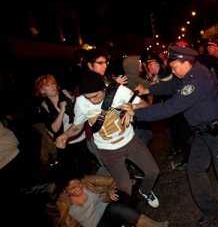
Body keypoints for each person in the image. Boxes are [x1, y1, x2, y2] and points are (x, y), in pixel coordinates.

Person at [125, 46, 218, 226]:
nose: (172, 71)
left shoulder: (197, 79)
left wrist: (136, 113)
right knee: (195, 169)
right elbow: (173, 85)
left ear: (185, 63)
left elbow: (171, 107)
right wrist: (149, 89)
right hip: (203, 134)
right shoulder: (187, 74)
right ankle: (211, 210)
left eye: (174, 67)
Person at [56, 71, 160, 209]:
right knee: (124, 187)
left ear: (103, 88)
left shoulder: (119, 92)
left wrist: (133, 107)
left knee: (153, 171)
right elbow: (77, 126)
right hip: (108, 150)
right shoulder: (81, 102)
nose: (92, 100)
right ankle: (129, 215)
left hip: (130, 141)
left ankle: (145, 191)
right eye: (89, 98)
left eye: (95, 96)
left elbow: (145, 105)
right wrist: (66, 135)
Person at [54, 169, 169, 227]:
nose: (78, 188)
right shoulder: (64, 204)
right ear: (65, 190)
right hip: (98, 225)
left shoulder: (87, 182)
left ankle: (155, 226)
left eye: (78, 183)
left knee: (117, 208)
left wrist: (108, 191)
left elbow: (111, 181)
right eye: (73, 188)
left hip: (108, 210)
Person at [34, 74, 93, 174]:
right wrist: (62, 110)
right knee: (70, 171)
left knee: (86, 168)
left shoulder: (66, 93)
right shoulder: (44, 106)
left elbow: (80, 111)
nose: (53, 86)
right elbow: (54, 129)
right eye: (48, 85)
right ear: (42, 90)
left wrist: (75, 103)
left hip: (80, 137)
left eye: (53, 83)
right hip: (64, 142)